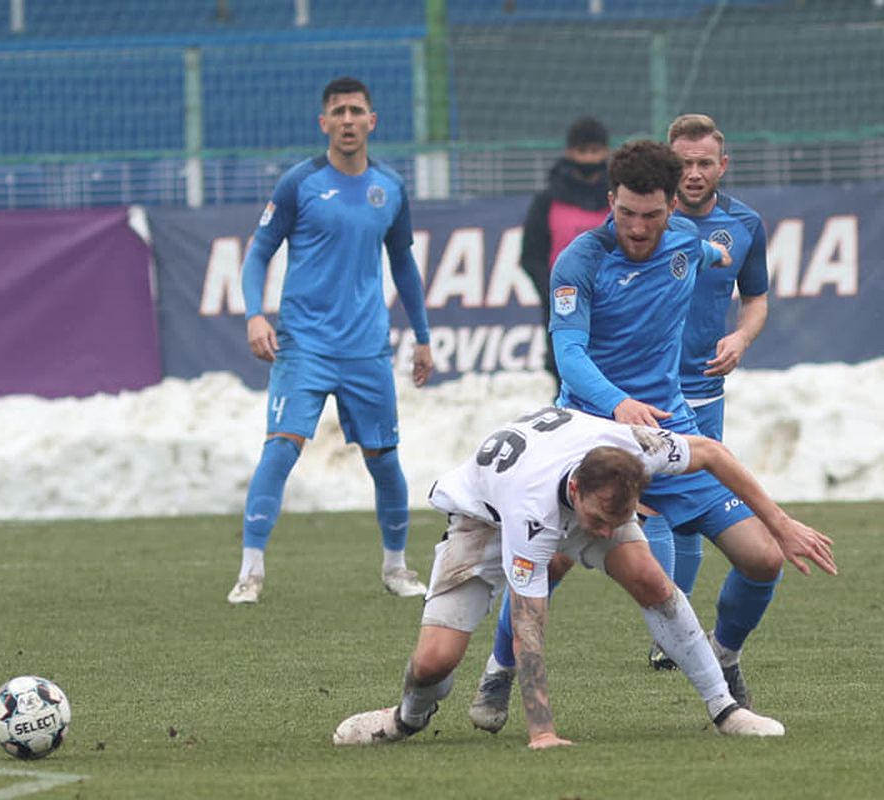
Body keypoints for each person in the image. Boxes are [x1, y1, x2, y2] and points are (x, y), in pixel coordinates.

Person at [466, 140, 835, 733]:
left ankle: (725, 656)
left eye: (652, 215)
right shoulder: (580, 261)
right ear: (610, 200)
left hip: (671, 427)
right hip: (588, 432)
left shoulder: (692, 242)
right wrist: (618, 403)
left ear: (672, 209)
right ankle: (500, 668)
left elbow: (733, 262)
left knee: (763, 558)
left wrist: (739, 327)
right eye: (626, 213)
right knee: (550, 566)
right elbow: (568, 351)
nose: (638, 228)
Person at [332, 407, 835, 748]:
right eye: (599, 522)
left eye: (617, 520)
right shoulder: (530, 509)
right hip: (483, 522)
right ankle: (406, 718)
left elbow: (713, 453)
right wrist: (542, 731)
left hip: (569, 492)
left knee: (653, 582)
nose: (603, 532)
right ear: (576, 488)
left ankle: (726, 710)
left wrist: (781, 524)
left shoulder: (635, 449)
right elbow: (530, 619)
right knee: (434, 662)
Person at [226, 76, 434, 605]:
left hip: (366, 348)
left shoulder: (390, 187)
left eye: (356, 110)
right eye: (337, 111)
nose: (347, 119)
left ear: (372, 121)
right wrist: (255, 315)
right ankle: (250, 572)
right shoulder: (300, 183)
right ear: (324, 123)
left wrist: (424, 337)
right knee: (279, 451)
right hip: (304, 346)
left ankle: (396, 567)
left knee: (384, 459)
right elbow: (257, 253)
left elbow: (404, 264)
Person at [645, 113, 771, 670]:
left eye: (704, 164)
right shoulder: (644, 219)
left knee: (692, 510)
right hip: (645, 390)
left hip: (703, 389)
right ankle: (671, 628)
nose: (693, 174)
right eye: (684, 164)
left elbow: (756, 297)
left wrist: (741, 338)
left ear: (723, 166)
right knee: (652, 507)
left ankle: (677, 629)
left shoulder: (745, 224)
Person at [519, 117, 611, 391]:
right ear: (570, 153)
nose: (589, 158)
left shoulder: (618, 196)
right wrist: (553, 293)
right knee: (569, 382)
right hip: (565, 308)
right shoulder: (548, 200)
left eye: (595, 152)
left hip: (615, 302)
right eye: (583, 152)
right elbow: (531, 255)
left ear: (606, 153)